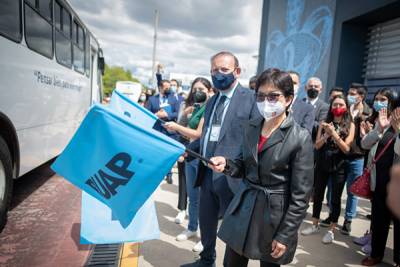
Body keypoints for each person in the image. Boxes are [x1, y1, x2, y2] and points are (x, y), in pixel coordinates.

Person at [208, 68, 313, 267]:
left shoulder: (300, 137)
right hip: (245, 204)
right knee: (232, 262)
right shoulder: (251, 126)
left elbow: (301, 196)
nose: (266, 102)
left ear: (289, 99)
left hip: (275, 214)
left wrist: (285, 235)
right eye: (261, 96)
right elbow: (242, 165)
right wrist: (227, 164)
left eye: (273, 96)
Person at [181, 51, 257, 267]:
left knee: (236, 230)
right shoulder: (213, 99)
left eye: (224, 70)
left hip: (233, 177)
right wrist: (190, 149)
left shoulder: (250, 99)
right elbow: (207, 134)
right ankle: (206, 260)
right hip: (207, 174)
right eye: (214, 70)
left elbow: (253, 141)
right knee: (206, 222)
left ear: (237, 71)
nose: (218, 74)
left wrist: (232, 162)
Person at [163, 77, 214, 253]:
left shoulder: (210, 108)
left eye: (201, 89)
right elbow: (186, 129)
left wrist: (177, 126)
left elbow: (199, 134)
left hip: (202, 157)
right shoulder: (194, 108)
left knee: (204, 200)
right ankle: (192, 227)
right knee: (192, 197)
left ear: (210, 91)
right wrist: (180, 124)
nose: (197, 92)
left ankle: (204, 236)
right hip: (190, 156)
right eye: (195, 89)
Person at [301, 95, 355, 244]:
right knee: (318, 195)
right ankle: (315, 224)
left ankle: (331, 230)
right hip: (322, 162)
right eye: (335, 104)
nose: (338, 107)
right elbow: (317, 145)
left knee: (335, 198)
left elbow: (346, 148)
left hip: (339, 165)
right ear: (331, 107)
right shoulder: (323, 123)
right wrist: (325, 134)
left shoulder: (350, 125)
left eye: (341, 104)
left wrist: (334, 134)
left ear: (346, 107)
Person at [359, 88, 400, 267]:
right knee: (378, 220)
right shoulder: (380, 121)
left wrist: (398, 131)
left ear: (393, 102)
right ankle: (376, 254)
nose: (379, 102)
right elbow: (365, 144)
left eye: (383, 99)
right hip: (379, 182)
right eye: (376, 99)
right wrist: (379, 129)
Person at [337, 83, 372, 235]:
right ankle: (332, 217)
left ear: (361, 96)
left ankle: (348, 220)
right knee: (335, 189)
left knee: (352, 190)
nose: (350, 96)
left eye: (353, 94)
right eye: (349, 93)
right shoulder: (343, 109)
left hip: (357, 157)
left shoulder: (369, 113)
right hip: (340, 154)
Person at [146, 79, 180, 184]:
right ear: (160, 87)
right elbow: (146, 113)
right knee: (155, 152)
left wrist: (167, 115)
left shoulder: (174, 99)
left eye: (170, 87)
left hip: (169, 131)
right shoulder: (152, 99)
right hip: (156, 130)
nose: (169, 89)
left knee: (168, 153)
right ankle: (155, 174)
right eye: (166, 87)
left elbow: (178, 113)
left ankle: (169, 174)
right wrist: (156, 115)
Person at [303, 77, 329, 141]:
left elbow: (320, 126)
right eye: (310, 86)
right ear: (305, 88)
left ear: (320, 90)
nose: (313, 88)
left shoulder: (324, 107)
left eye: (316, 86)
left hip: (311, 141)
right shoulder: (298, 103)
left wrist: (302, 120)